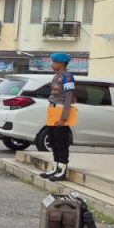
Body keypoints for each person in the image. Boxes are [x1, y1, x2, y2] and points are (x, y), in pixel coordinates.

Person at [41, 53, 77, 182]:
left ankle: (62, 170)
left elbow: (68, 97)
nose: (52, 64)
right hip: (53, 110)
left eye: (54, 62)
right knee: (53, 141)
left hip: (61, 111)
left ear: (61, 64)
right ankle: (55, 167)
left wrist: (64, 117)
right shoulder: (56, 76)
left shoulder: (68, 77)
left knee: (61, 142)